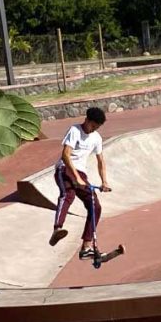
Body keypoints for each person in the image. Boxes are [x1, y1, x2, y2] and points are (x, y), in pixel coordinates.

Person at [49, 107, 112, 259]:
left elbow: (100, 161)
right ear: (87, 120)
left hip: (81, 173)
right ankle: (57, 229)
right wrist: (76, 177)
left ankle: (86, 247)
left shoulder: (96, 138)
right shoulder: (75, 131)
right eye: (93, 126)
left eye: (97, 128)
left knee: (95, 205)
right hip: (64, 169)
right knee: (68, 194)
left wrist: (104, 181)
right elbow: (65, 155)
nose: (94, 130)